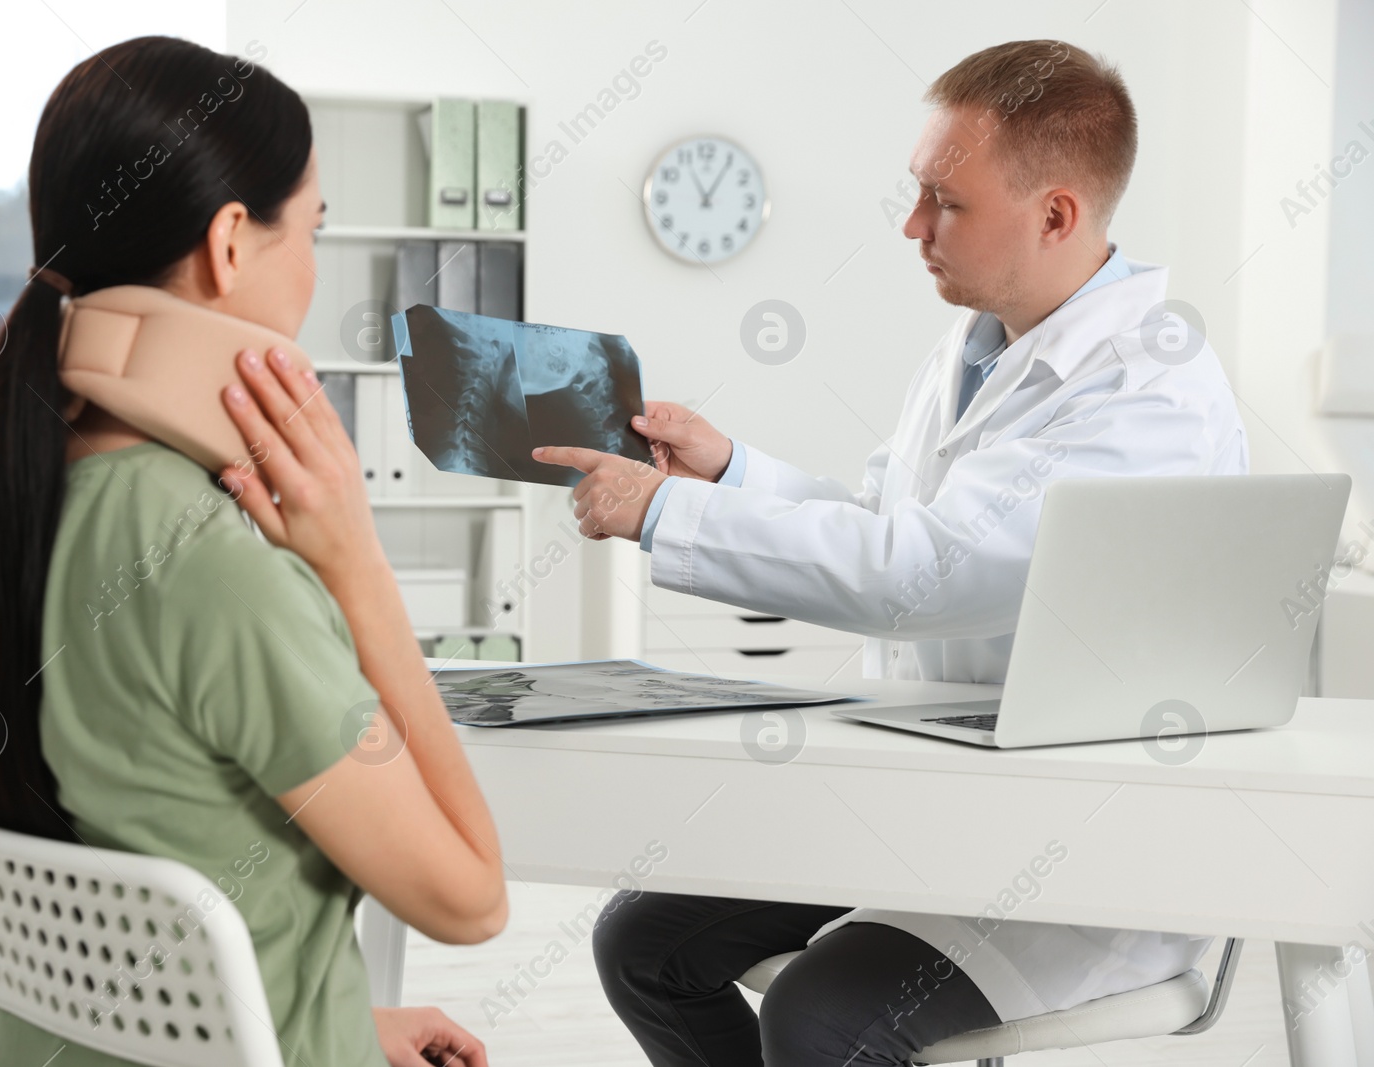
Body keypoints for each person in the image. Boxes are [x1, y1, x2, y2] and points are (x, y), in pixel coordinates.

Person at [532, 40, 1247, 1067]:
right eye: (917, 195)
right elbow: (884, 511)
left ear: (1055, 214)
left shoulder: (1148, 391)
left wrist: (660, 516)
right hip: (933, 797)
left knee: (822, 1014)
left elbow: (926, 572)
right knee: (644, 939)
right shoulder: (982, 343)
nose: (912, 227)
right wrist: (726, 471)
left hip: (1068, 840)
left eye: (944, 204)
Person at [0, 36, 506, 1067]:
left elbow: (120, 883)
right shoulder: (214, 565)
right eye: (313, 228)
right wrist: (354, 560)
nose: (314, 266)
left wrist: (337, 1017)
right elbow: (469, 897)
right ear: (231, 242)